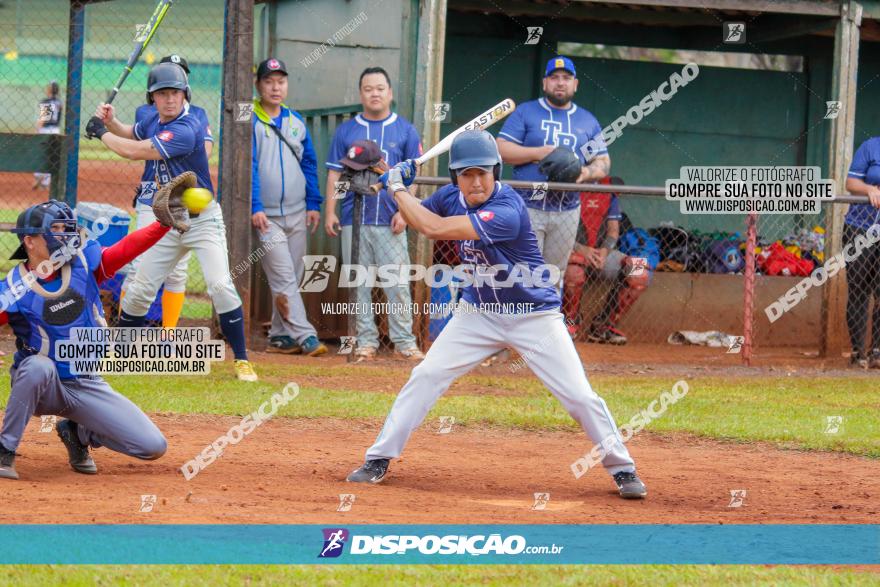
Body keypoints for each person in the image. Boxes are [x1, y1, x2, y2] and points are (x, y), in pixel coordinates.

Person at [345, 130, 647, 500]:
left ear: (496, 172)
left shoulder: (507, 209)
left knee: (579, 397)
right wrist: (395, 179)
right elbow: (416, 215)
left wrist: (396, 188)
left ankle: (623, 467)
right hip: (478, 313)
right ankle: (379, 458)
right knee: (426, 375)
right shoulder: (450, 196)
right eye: (466, 174)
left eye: (482, 173)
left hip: (532, 314)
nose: (475, 182)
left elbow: (433, 228)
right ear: (455, 176)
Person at [85, 62, 259, 382]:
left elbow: (137, 151)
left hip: (201, 220)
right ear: (153, 99)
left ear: (185, 94)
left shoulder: (186, 127)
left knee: (219, 285)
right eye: (162, 94)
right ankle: (121, 354)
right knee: (140, 289)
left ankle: (242, 361)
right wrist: (112, 122)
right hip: (166, 220)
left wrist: (99, 132)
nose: (169, 100)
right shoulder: (151, 117)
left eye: (175, 93)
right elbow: (133, 133)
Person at [0, 201, 171, 480]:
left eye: (67, 228)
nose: (65, 236)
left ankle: (77, 432)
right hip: (43, 386)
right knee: (38, 366)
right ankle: (4, 450)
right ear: (29, 241)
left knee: (152, 446)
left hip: (86, 382)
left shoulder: (84, 261)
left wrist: (162, 224)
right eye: (54, 229)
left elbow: (124, 250)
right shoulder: (14, 288)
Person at [324, 66, 424, 362]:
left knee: (397, 284)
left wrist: (406, 213)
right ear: (361, 94)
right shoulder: (346, 131)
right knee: (359, 285)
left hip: (391, 219)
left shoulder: (405, 130)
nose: (375, 93)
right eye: (369, 88)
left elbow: (413, 176)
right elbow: (335, 176)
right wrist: (331, 210)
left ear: (390, 93)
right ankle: (365, 342)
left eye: (380, 88)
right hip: (354, 218)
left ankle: (404, 342)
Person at [496, 56, 611, 280]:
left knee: (554, 275)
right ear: (544, 83)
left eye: (566, 78)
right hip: (528, 206)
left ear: (575, 84)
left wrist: (586, 172)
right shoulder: (525, 112)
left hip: (566, 210)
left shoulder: (588, 121)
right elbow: (501, 149)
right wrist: (538, 153)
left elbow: (604, 162)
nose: (560, 82)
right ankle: (520, 315)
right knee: (523, 273)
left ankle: (547, 316)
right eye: (554, 77)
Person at [123, 54, 213, 329]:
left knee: (177, 271)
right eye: (163, 89)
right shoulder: (146, 113)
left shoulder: (196, 115)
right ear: (154, 93)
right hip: (151, 193)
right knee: (139, 265)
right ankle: (123, 328)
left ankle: (168, 334)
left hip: (181, 196)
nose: (170, 95)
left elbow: (206, 150)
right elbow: (133, 141)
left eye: (177, 84)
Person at [251, 57, 326, 356]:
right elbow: (250, 167)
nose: (275, 87)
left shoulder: (296, 121)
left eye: (280, 81)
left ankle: (281, 337)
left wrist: (314, 203)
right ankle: (306, 336)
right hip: (267, 216)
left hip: (297, 211)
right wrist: (255, 205)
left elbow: (309, 164)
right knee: (283, 275)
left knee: (292, 277)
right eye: (268, 82)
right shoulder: (252, 120)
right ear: (258, 85)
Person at [563, 177, 650, 344]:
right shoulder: (566, 187)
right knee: (574, 272)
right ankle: (570, 323)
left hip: (601, 253)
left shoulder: (608, 191)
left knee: (640, 271)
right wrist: (582, 250)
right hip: (572, 251)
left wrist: (604, 251)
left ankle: (603, 326)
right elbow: (558, 230)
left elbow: (613, 232)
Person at [843, 138, 880, 368]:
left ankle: (877, 351)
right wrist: (870, 189)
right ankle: (858, 353)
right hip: (860, 227)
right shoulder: (870, 146)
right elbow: (850, 183)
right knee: (858, 290)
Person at [33, 80, 63, 191]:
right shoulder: (59, 102)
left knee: (40, 153)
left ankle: (38, 177)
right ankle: (46, 182)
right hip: (55, 130)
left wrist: (37, 130)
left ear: (50, 89)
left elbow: (43, 119)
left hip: (45, 130)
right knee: (52, 155)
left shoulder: (46, 102)